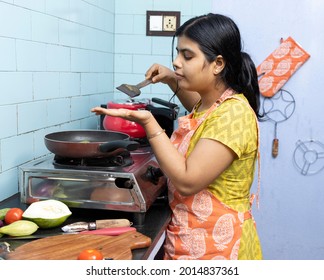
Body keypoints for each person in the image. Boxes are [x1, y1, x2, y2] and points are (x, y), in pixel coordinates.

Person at [91, 13, 263, 260]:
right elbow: (201, 115)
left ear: (218, 64)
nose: (176, 61)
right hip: (191, 238)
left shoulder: (234, 114)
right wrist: (173, 79)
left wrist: (150, 122)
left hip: (220, 249)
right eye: (177, 53)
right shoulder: (212, 104)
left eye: (187, 56)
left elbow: (187, 180)